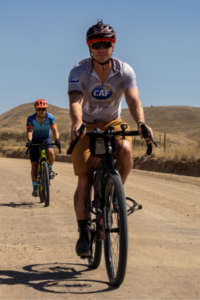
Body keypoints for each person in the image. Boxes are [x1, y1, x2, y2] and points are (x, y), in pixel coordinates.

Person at [68, 20, 154, 258]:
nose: (101, 48)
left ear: (113, 46)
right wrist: (77, 123)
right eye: (96, 44)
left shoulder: (125, 70)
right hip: (85, 124)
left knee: (126, 150)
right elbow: (75, 101)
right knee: (84, 179)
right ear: (89, 47)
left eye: (106, 43)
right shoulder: (78, 71)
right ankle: (83, 232)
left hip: (112, 122)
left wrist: (141, 123)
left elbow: (133, 100)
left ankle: (114, 193)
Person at [26, 99, 61, 196]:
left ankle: (49, 169)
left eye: (43, 109)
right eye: (39, 109)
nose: (41, 111)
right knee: (34, 164)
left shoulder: (50, 117)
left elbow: (54, 129)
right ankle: (35, 188)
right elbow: (29, 131)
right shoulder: (31, 118)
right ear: (35, 109)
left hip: (46, 139)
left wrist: (57, 139)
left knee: (50, 151)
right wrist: (29, 141)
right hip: (35, 140)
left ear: (46, 109)